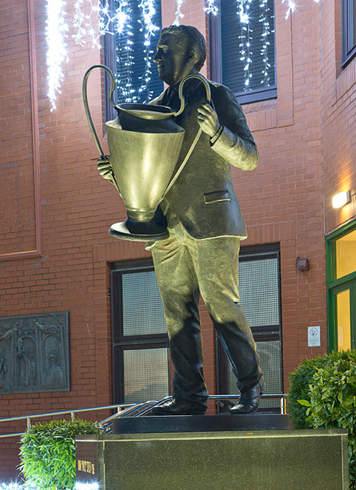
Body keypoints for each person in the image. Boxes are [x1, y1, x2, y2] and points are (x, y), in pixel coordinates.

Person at [98, 25, 264, 415]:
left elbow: (250, 158)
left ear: (192, 56)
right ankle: (189, 398)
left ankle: (251, 389)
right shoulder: (154, 108)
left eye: (163, 50)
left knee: (222, 307)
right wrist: (118, 172)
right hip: (165, 228)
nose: (155, 57)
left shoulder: (217, 96)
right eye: (155, 50)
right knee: (177, 317)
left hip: (211, 220)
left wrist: (217, 132)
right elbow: (148, 173)